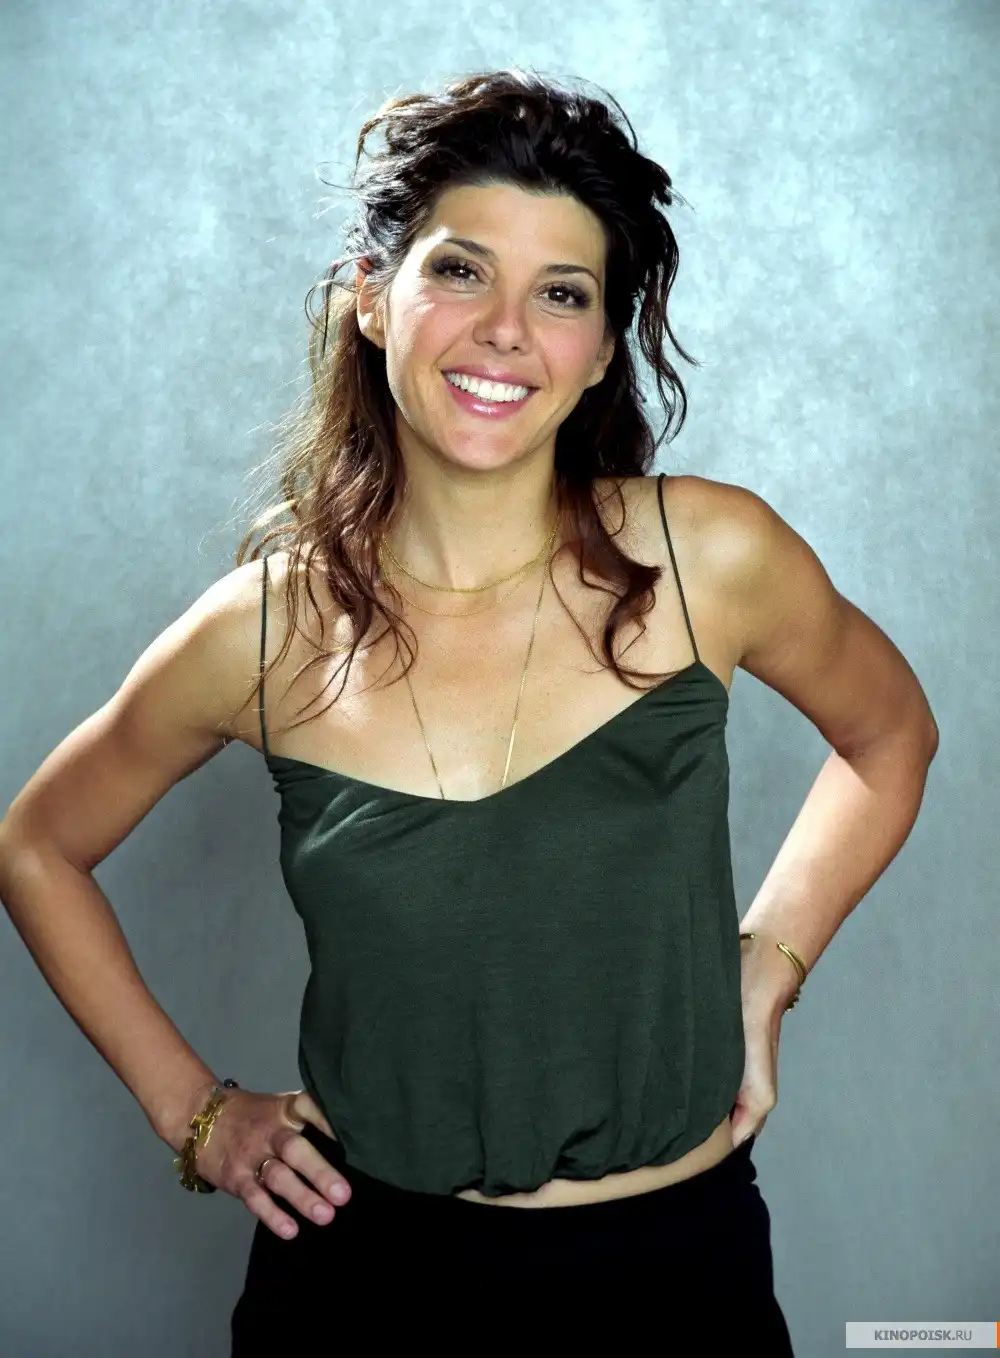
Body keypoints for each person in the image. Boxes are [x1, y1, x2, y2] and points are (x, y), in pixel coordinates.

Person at [0, 69, 938, 1351]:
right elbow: (37, 844)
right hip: (361, 1285)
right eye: (459, 271)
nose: (505, 330)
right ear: (371, 298)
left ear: (599, 349)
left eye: (561, 293)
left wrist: (767, 962)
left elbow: (890, 735)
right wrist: (196, 1112)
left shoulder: (709, 558)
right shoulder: (261, 631)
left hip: (674, 1277)